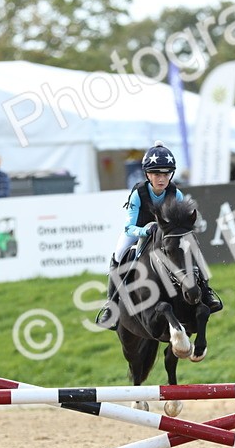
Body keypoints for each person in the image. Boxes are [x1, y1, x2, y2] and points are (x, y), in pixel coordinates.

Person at [95, 141, 222, 330]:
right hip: (138, 230)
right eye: (156, 174)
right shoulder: (138, 193)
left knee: (191, 248)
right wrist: (146, 230)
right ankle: (111, 307)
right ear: (147, 174)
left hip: (165, 233)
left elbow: (181, 222)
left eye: (166, 174)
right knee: (118, 254)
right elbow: (129, 227)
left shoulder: (175, 193)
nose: (161, 179)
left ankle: (206, 292)